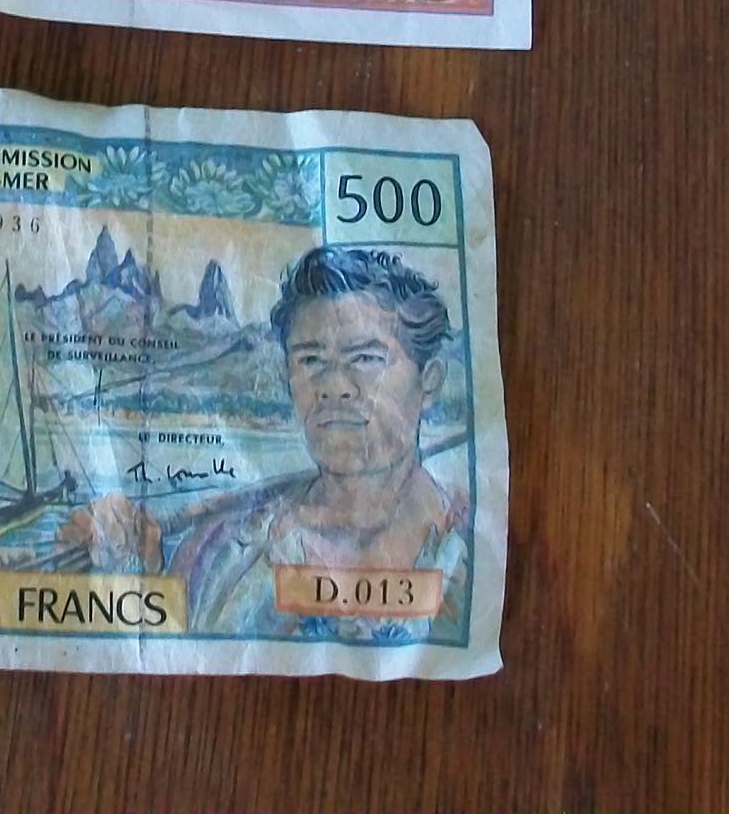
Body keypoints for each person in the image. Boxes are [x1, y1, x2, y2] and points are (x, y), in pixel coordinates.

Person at [60, 244, 470, 639]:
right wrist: (133, 571)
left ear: (430, 382)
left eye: (365, 358)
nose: (334, 386)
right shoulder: (215, 556)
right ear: (287, 379)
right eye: (311, 360)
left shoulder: (475, 546)